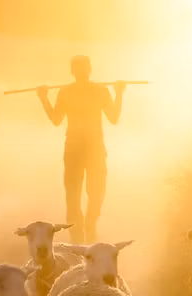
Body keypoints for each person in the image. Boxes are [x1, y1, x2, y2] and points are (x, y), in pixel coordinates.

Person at [37, 56, 125, 244]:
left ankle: (86, 229)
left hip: (82, 148)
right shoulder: (95, 91)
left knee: (83, 193)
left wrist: (44, 99)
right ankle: (83, 232)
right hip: (83, 148)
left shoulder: (73, 92)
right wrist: (119, 93)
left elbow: (55, 119)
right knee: (84, 193)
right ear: (87, 70)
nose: (82, 72)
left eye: (81, 69)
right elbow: (114, 117)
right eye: (81, 69)